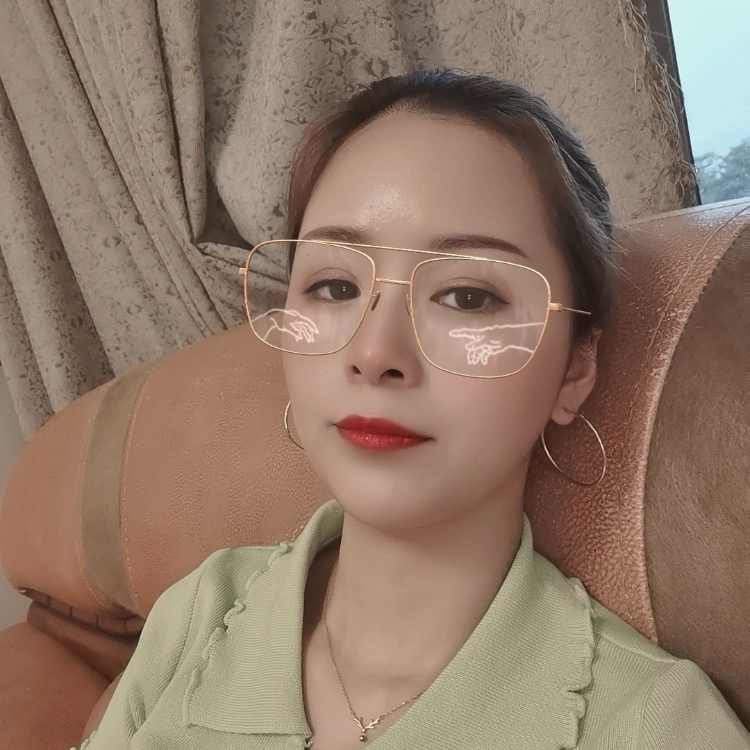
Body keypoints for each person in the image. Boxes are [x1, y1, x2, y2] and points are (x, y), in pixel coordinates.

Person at [74, 68, 750, 749]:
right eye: (336, 285)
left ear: (574, 369)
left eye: (466, 297)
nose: (374, 353)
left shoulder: (659, 725)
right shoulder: (198, 614)